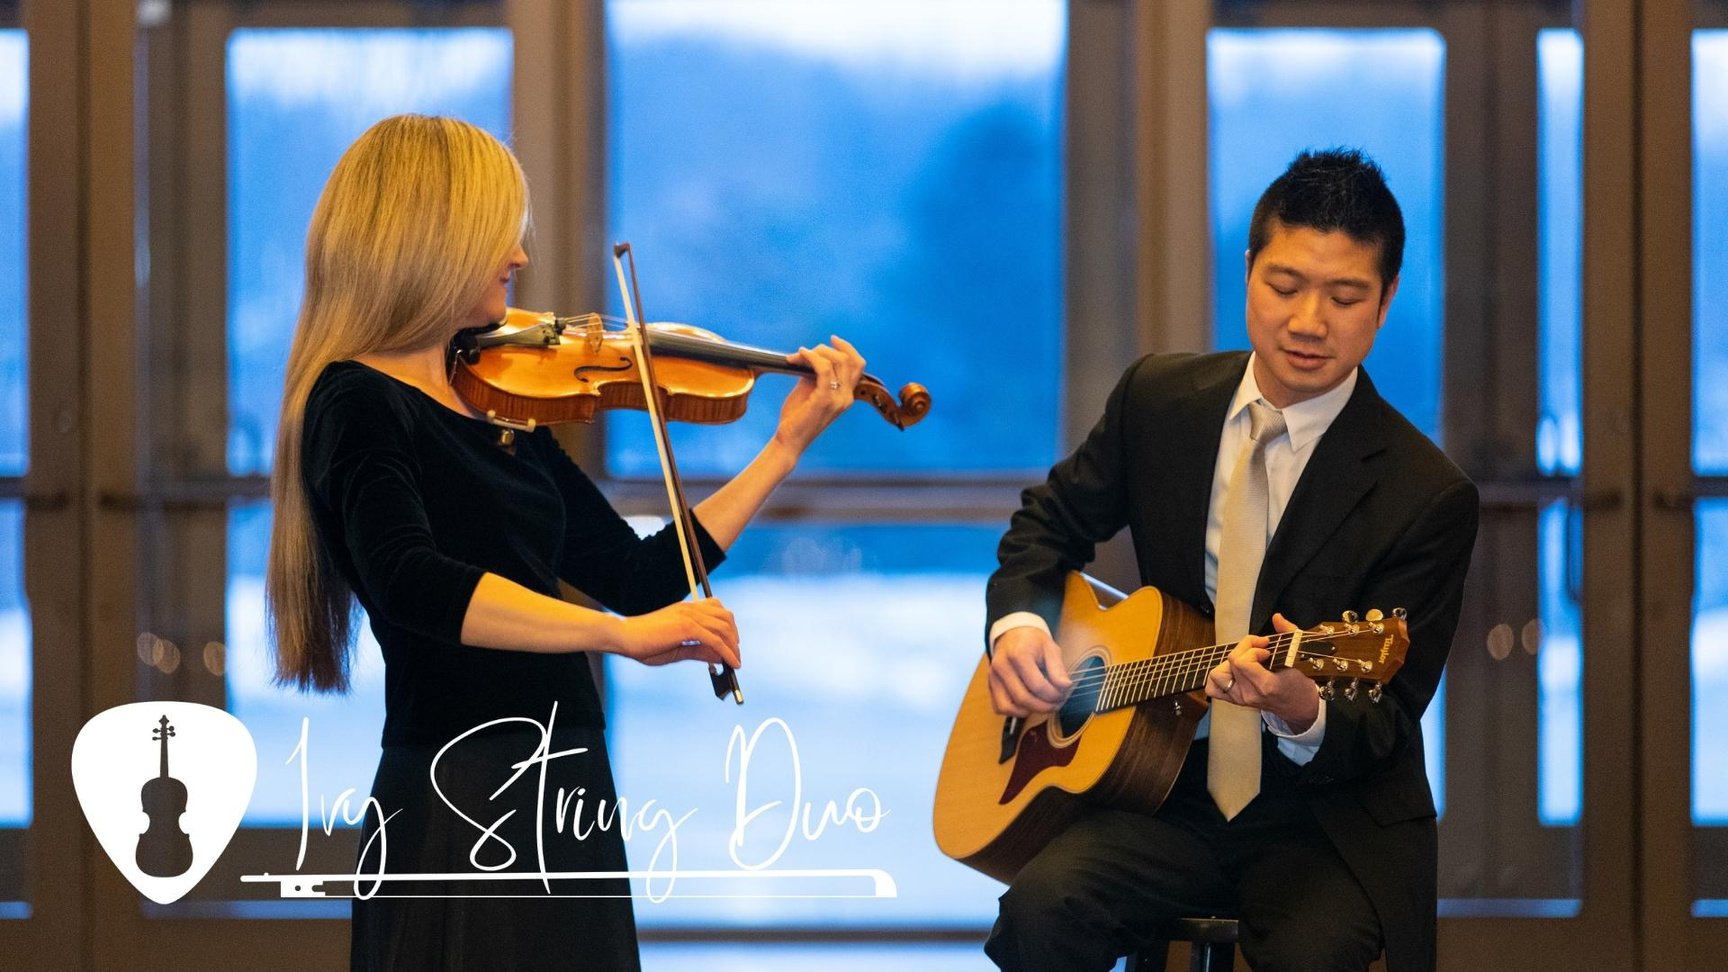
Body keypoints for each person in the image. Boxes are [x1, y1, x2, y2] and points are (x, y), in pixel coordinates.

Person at [264, 114, 865, 971]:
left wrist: (784, 447)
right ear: (431, 238)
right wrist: (614, 638)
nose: (518, 256)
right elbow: (413, 581)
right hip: (463, 791)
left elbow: (640, 574)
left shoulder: (495, 401)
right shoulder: (356, 400)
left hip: (562, 777)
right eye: (499, 234)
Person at [981, 148, 1479, 972]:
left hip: (1323, 820)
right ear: (1248, 270)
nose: (1309, 322)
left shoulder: (1426, 494)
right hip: (1159, 787)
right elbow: (1047, 524)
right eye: (1285, 286)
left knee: (1316, 957)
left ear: (1386, 300)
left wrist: (1302, 711)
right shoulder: (1159, 401)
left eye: (1344, 297)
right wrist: (1021, 629)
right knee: (1042, 913)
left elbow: (1387, 717)